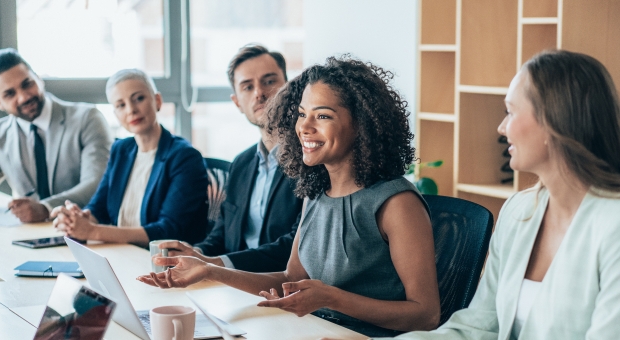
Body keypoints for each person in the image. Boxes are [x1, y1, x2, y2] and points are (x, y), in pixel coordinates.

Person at [138, 56, 441, 337]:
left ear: (362, 124)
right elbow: (288, 279)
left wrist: (331, 298)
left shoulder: (397, 203)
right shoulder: (316, 191)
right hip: (310, 330)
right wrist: (210, 270)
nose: (304, 128)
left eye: (322, 116)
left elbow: (425, 315)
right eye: (301, 114)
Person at [391, 50, 620, 340]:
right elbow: (477, 328)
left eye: (510, 112)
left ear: (554, 121)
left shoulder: (613, 226)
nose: (501, 128)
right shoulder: (519, 211)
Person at [154, 44, 303, 272]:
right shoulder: (242, 164)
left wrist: (216, 264)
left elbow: (296, 245)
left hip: (282, 288)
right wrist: (198, 253)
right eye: (247, 87)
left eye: (269, 81)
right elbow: (223, 232)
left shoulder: (309, 160)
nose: (259, 93)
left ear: (288, 88)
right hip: (233, 284)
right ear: (237, 102)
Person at [0, 48, 112, 223]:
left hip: (89, 233)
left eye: (27, 84)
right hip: (30, 237)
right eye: (10, 94)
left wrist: (46, 208)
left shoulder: (87, 118)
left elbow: (96, 183)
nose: (23, 97)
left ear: (38, 78)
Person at [50, 69, 208, 247]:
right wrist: (78, 219)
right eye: (121, 105)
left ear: (157, 101)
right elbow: (99, 207)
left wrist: (92, 231)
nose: (131, 110)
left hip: (164, 263)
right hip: (122, 251)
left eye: (139, 98)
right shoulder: (121, 150)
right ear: (116, 115)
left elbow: (168, 230)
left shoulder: (185, 157)